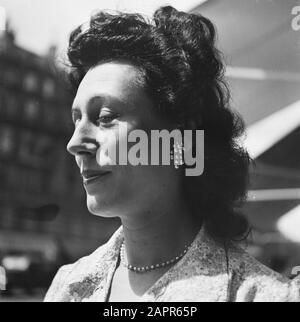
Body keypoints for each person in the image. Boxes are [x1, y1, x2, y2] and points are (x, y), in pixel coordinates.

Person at [44, 6, 300, 302]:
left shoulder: (260, 295)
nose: (75, 143)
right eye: (77, 120)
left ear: (179, 138)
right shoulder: (69, 287)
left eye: (104, 116)